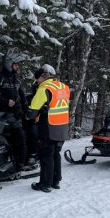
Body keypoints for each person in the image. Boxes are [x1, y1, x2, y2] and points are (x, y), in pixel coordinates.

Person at [27, 64, 70, 193]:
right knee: (55, 153)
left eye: (38, 79)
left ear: (43, 76)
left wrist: (27, 114)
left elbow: (32, 111)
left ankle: (45, 184)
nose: (37, 82)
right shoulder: (64, 87)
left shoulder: (44, 89)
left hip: (49, 126)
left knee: (46, 154)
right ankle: (55, 181)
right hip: (62, 125)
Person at [0, 52, 28, 170]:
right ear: (9, 64)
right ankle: (11, 163)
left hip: (16, 114)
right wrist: (4, 102)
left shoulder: (16, 79)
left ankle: (20, 163)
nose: (17, 67)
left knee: (20, 136)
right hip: (2, 115)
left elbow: (22, 95)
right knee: (9, 138)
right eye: (15, 65)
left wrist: (28, 110)